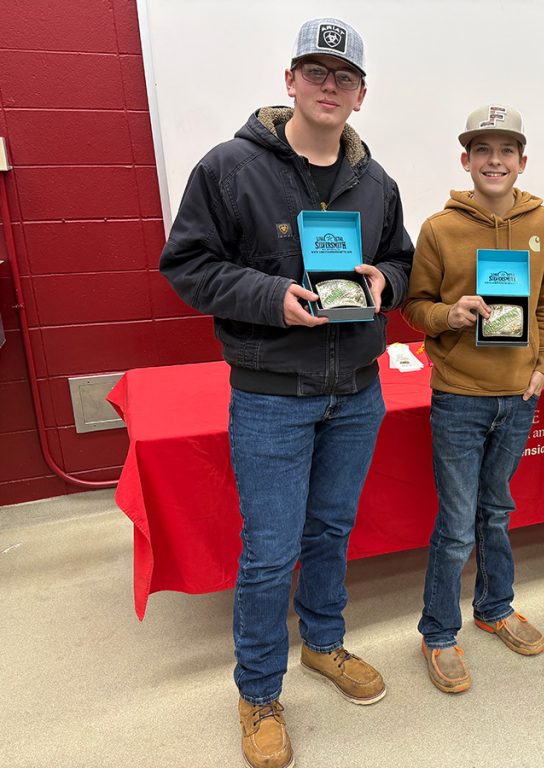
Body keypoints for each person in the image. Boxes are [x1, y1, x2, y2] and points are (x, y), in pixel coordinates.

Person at [159, 17, 413, 768]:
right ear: (290, 81)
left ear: (360, 94)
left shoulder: (377, 182)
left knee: (331, 532)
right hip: (272, 395)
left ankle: (325, 646)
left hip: (358, 392)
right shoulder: (230, 167)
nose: (328, 86)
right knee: (269, 553)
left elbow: (399, 259)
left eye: (343, 77)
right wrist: (272, 296)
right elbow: (187, 266)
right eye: (315, 71)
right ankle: (259, 690)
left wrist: (384, 280)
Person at [402, 104, 544, 693]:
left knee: (497, 512)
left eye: (507, 151)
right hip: (460, 397)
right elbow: (414, 307)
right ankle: (438, 632)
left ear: (522, 161)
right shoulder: (440, 229)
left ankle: (495, 609)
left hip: (519, 395)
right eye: (483, 151)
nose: (495, 161)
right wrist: (451, 312)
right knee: (455, 524)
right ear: (465, 160)